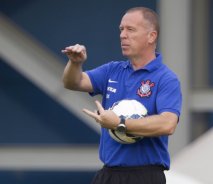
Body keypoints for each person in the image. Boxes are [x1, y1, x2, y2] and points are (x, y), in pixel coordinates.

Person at [62, 7, 182, 184]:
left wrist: (120, 123)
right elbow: (73, 82)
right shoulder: (113, 70)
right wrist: (74, 63)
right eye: (121, 29)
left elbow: (168, 124)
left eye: (131, 30)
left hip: (145, 176)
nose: (123, 35)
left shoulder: (166, 78)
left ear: (151, 36)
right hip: (108, 174)